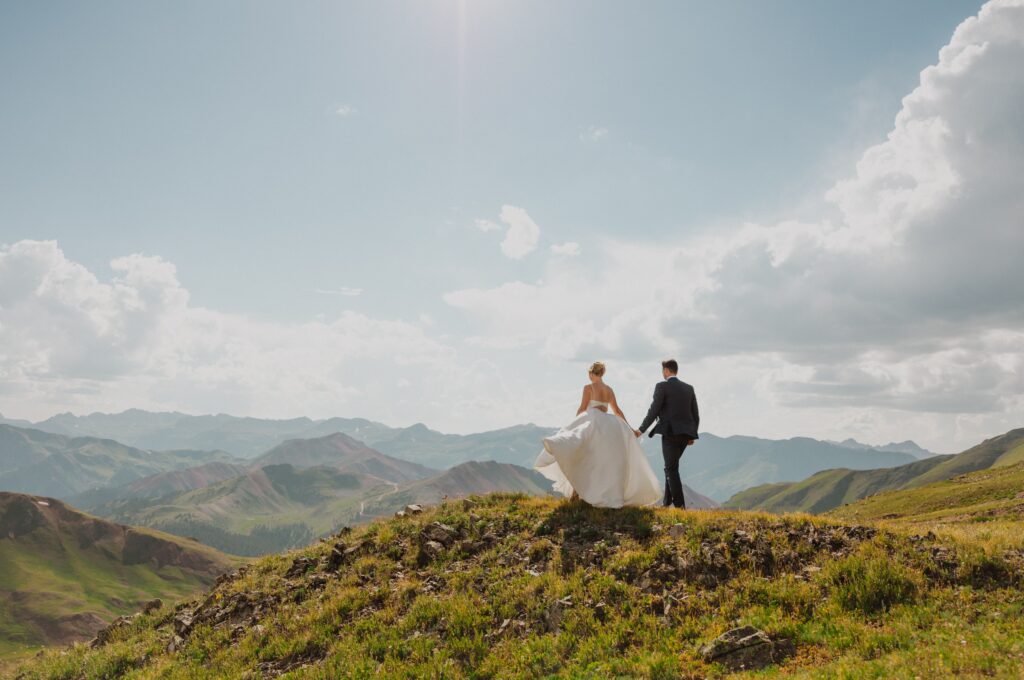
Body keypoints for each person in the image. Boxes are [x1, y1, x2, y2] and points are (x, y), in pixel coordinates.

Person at [534, 361, 661, 508]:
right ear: (602, 373)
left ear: (591, 373)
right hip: (608, 428)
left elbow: (582, 408)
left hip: (593, 424)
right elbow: (617, 411)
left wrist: (574, 426)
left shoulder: (588, 388)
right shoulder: (609, 390)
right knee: (601, 463)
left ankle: (578, 494)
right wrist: (630, 428)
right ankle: (592, 495)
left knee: (583, 457)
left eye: (589, 373)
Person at [637, 359, 699, 509]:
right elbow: (695, 414)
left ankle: (679, 507)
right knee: (671, 466)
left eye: (662, 370)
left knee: (671, 468)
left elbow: (654, 410)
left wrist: (641, 429)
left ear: (666, 370)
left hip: (670, 433)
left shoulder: (662, 386)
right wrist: (692, 434)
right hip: (685, 435)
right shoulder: (689, 388)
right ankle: (666, 503)